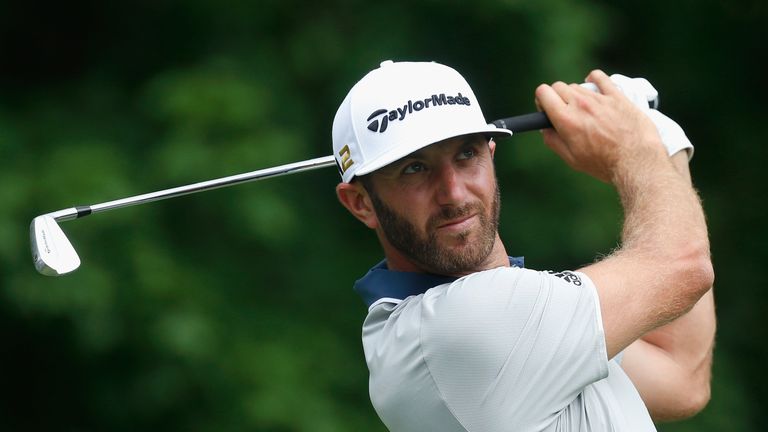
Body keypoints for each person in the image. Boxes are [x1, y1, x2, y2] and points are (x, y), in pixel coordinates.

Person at [332, 60, 715, 431]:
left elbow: (680, 374)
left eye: (467, 153)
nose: (453, 192)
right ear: (361, 203)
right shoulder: (458, 328)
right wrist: (635, 149)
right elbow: (683, 265)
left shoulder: (518, 324)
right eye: (414, 168)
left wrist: (662, 148)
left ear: (491, 154)